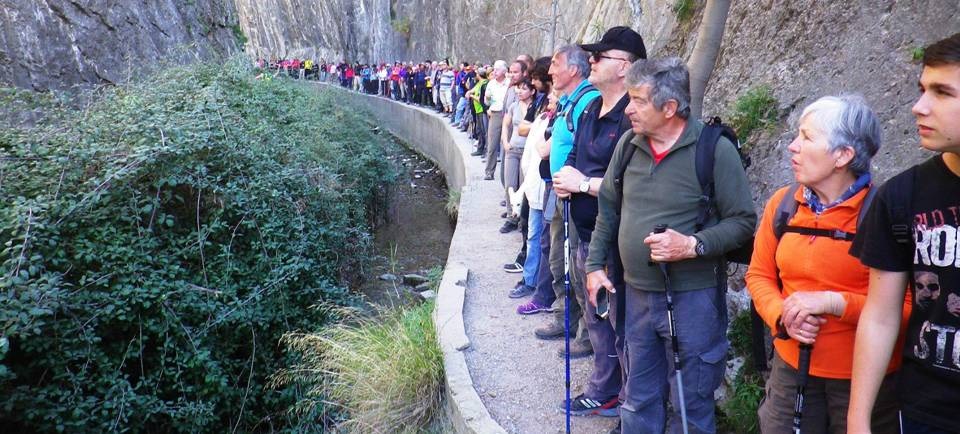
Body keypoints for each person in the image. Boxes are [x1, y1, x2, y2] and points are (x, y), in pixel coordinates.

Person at [585, 57, 756, 433]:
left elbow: (743, 221)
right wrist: (594, 265)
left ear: (670, 107)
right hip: (635, 296)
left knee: (690, 401)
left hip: (693, 300)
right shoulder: (629, 145)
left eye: (638, 100)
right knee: (638, 399)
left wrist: (692, 245)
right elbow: (609, 208)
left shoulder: (713, 149)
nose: (628, 109)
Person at [745, 95, 906, 433]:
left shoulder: (883, 213)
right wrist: (782, 315)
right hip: (790, 369)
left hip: (863, 381)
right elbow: (758, 275)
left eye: (806, 137)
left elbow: (906, 307)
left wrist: (835, 303)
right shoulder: (785, 204)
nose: (792, 147)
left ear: (842, 156)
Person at [849, 32, 960, 434]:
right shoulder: (901, 197)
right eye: (921, 89)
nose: (918, 106)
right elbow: (880, 316)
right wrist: (858, 421)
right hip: (925, 413)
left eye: (942, 92)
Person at [551, 26, 647, 420]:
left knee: (620, 320)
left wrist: (583, 183)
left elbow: (633, 181)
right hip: (585, 232)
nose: (591, 60)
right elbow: (575, 154)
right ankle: (605, 389)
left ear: (624, 66)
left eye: (600, 56)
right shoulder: (592, 108)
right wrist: (564, 177)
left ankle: (629, 401)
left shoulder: (634, 115)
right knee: (595, 316)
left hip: (617, 240)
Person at [532, 45, 600, 359]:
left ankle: (588, 335)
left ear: (573, 69)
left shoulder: (588, 102)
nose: (550, 71)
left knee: (578, 263)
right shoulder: (569, 102)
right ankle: (566, 318)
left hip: (578, 197)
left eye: (556, 64)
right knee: (560, 260)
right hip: (561, 193)